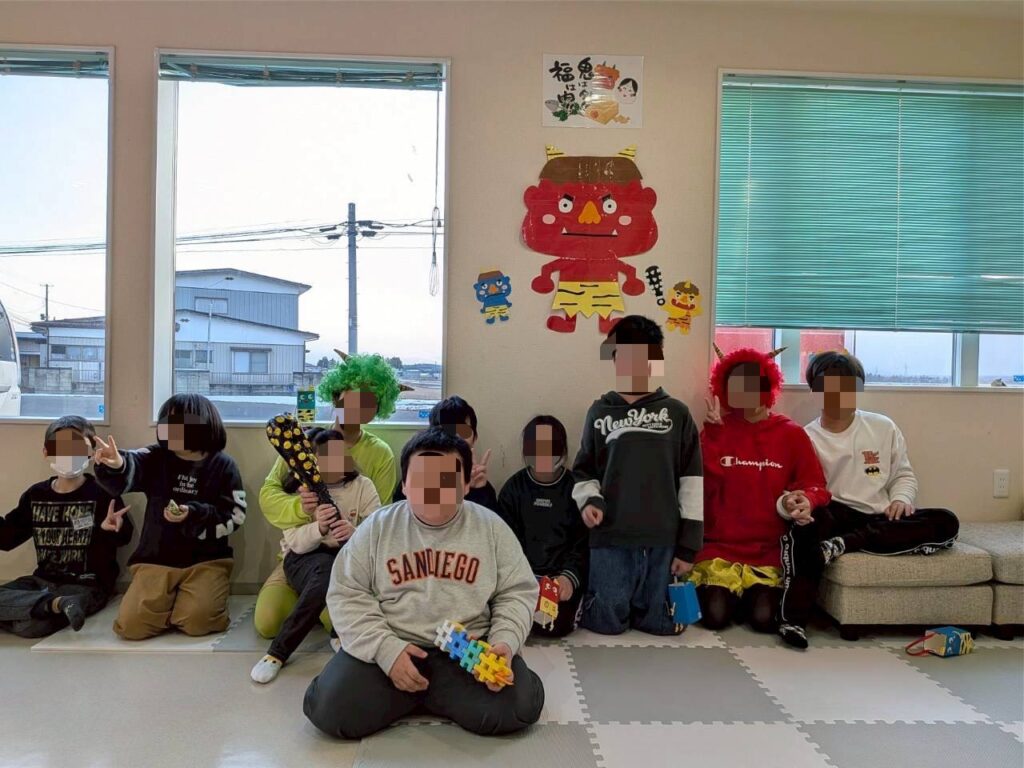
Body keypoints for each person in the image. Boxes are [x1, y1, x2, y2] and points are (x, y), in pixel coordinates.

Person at [303, 428, 544, 739]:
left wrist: (505, 642)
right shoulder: (376, 528)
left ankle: (419, 696)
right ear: (404, 485)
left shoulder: (491, 528)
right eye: (421, 479)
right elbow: (346, 593)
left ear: (465, 484)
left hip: (466, 652)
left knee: (521, 705)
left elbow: (517, 591)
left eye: (446, 480)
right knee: (328, 709)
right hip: (393, 644)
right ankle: (422, 693)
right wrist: (386, 651)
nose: (433, 490)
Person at [777, 351, 960, 649]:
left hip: (880, 517)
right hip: (833, 514)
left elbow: (904, 475)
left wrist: (901, 498)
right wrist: (798, 505)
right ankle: (793, 620)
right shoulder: (806, 437)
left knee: (946, 521)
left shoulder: (882, 427)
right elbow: (801, 489)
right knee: (803, 528)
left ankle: (844, 544)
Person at [573, 315, 703, 635]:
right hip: (611, 539)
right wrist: (589, 501)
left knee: (664, 625)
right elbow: (584, 470)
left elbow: (692, 483)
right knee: (606, 623)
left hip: (663, 543)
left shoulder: (677, 414)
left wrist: (688, 547)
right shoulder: (599, 412)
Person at [255, 352, 400, 639]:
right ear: (336, 397)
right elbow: (268, 497)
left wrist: (352, 534)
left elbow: (381, 519)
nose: (359, 408)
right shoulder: (303, 442)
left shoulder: (380, 453)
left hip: (349, 561)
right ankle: (312, 602)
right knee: (268, 623)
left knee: (334, 620)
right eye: (353, 399)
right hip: (298, 556)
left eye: (369, 402)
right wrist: (302, 507)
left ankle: (320, 605)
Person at [691, 347, 830, 633]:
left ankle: (746, 597)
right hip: (720, 548)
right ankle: (730, 596)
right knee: (715, 617)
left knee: (764, 620)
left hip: (768, 551)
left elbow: (816, 485)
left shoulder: (792, 434)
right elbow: (701, 489)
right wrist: (712, 439)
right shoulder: (716, 429)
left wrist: (806, 499)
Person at [93, 394, 246, 640]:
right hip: (156, 558)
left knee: (199, 622)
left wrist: (193, 514)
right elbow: (130, 464)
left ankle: (184, 603)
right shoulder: (155, 457)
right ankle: (171, 603)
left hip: (206, 561)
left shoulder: (223, 465)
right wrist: (116, 463)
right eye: (167, 424)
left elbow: (234, 516)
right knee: (131, 627)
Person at [250, 428, 380, 683]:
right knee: (325, 574)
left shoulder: (363, 486)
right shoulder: (301, 493)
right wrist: (318, 528)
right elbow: (295, 544)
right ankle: (278, 652)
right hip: (304, 557)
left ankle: (336, 634)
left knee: (343, 577)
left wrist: (355, 532)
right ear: (311, 462)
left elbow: (378, 528)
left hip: (347, 555)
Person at [0, 416, 133, 637]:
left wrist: (113, 528)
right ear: (47, 452)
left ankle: (41, 607)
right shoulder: (36, 494)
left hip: (87, 585)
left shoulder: (102, 492)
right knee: (32, 622)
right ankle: (53, 605)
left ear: (91, 453)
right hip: (41, 582)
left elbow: (124, 538)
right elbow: (6, 539)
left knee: (32, 626)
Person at [498, 415, 588, 637]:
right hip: (523, 578)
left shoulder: (576, 490)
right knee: (504, 618)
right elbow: (505, 544)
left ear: (563, 450)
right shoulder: (513, 489)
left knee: (554, 625)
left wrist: (568, 578)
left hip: (560, 579)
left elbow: (583, 544)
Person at [392, 395, 497, 511]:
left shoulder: (482, 486)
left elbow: (489, 520)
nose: (455, 438)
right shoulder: (413, 479)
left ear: (475, 438)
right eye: (447, 430)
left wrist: (477, 491)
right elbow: (402, 516)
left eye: (463, 430)